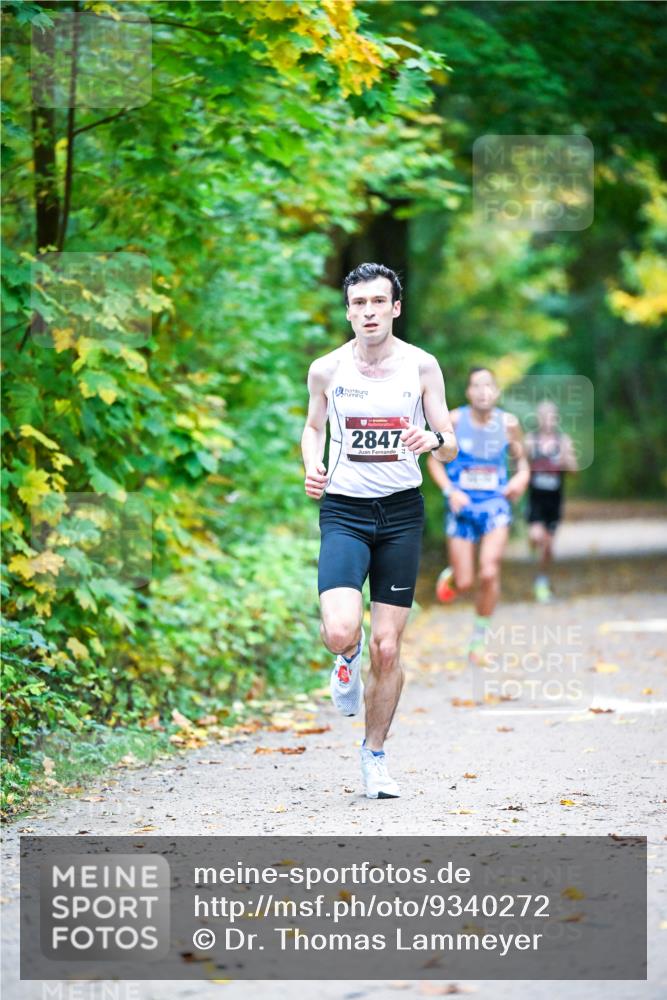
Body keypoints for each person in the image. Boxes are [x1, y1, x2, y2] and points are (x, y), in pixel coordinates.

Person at [301, 262, 457, 799]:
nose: (367, 312)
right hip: (344, 510)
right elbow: (313, 427)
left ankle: (374, 757)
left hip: (401, 514)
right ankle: (346, 658)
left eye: (377, 302)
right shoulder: (326, 369)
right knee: (343, 630)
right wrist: (310, 464)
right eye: (358, 303)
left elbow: (450, 437)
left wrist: (431, 441)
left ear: (395, 308)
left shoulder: (422, 366)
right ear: (348, 310)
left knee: (389, 649)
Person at [426, 367, 530, 664]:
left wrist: (519, 480)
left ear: (496, 392)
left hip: (496, 506)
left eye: (489, 386)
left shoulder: (508, 424)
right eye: (477, 386)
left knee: (489, 571)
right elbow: (433, 461)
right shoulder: (455, 420)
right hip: (462, 508)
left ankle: (478, 642)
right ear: (468, 392)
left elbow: (522, 464)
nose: (483, 391)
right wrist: (450, 491)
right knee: (465, 582)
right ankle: (454, 578)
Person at [525, 400, 578, 602]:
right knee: (538, 537)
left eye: (551, 416)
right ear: (538, 419)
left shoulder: (563, 442)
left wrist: (566, 461)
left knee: (548, 547)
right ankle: (532, 542)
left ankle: (541, 580)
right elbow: (521, 466)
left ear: (556, 419)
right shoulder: (531, 441)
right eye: (544, 416)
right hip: (535, 499)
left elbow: (574, 471)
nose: (548, 420)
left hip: (554, 501)